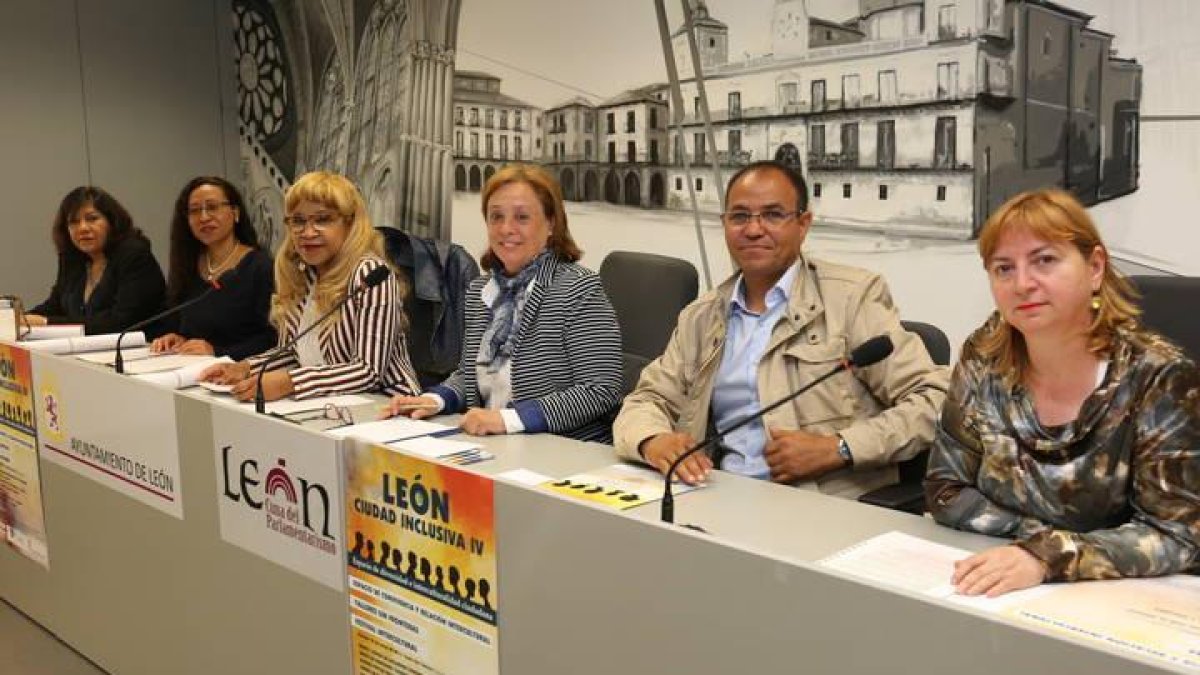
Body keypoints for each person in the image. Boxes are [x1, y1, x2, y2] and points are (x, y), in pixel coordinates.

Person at [613, 160, 948, 497]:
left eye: (773, 215)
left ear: (803, 224)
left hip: (825, 506)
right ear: (725, 224)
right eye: (740, 216)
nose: (754, 229)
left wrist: (839, 448)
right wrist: (652, 440)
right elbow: (649, 398)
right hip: (715, 494)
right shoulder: (701, 316)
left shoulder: (852, 297)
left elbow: (935, 399)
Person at [925, 188, 1200, 598]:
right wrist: (1030, 546)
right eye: (1003, 268)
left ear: (1094, 268)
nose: (1022, 284)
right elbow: (945, 490)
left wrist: (1048, 556)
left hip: (1114, 601)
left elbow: (1177, 534)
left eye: (1044, 260)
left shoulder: (1157, 375)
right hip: (997, 580)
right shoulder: (982, 357)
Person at [383, 164, 622, 443]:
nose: (506, 229)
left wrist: (509, 419)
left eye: (522, 217)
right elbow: (474, 375)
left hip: (563, 451)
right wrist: (435, 399)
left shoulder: (579, 288)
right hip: (493, 446)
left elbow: (601, 390)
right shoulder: (480, 291)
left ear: (551, 224)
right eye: (496, 217)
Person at [200, 171, 420, 401]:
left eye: (322, 219)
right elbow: (292, 353)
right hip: (327, 406)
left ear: (350, 223)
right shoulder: (300, 272)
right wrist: (244, 368)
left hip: (389, 407)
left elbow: (368, 372)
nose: (307, 232)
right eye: (298, 221)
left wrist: (290, 382)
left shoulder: (371, 274)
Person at [150, 177, 276, 359]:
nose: (204, 217)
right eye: (194, 211)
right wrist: (177, 337)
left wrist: (217, 352)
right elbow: (180, 322)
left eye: (212, 207)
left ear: (235, 213)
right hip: (189, 369)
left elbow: (272, 338)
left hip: (241, 374)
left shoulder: (261, 266)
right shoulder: (187, 265)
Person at [26, 186, 165, 335]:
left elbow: (120, 322)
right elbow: (55, 305)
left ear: (112, 221)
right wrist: (19, 319)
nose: (83, 228)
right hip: (88, 351)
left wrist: (46, 323)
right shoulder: (72, 260)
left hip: (143, 350)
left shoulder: (133, 255)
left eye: (92, 218)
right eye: (74, 222)